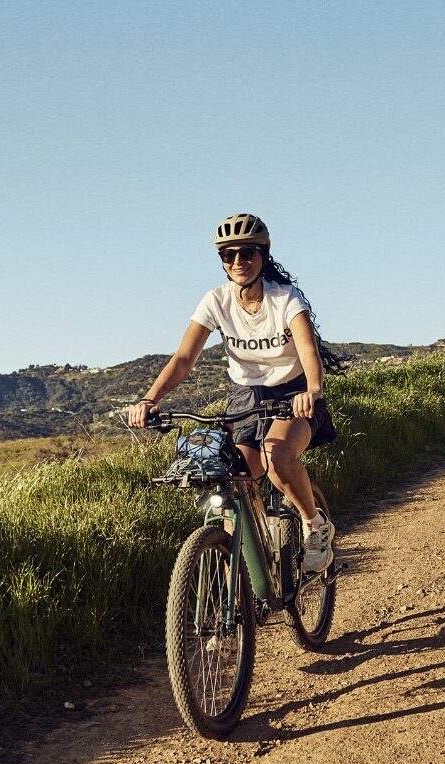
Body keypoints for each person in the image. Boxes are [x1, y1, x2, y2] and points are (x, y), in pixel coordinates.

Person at [128, 212, 342, 573]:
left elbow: (308, 351)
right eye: (228, 255)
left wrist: (313, 389)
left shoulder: (285, 299)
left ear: (263, 255)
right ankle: (251, 564)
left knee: (277, 461)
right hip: (246, 397)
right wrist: (151, 398)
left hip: (294, 393)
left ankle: (314, 525)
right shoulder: (216, 301)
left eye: (247, 253)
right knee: (231, 477)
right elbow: (183, 358)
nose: (238, 262)